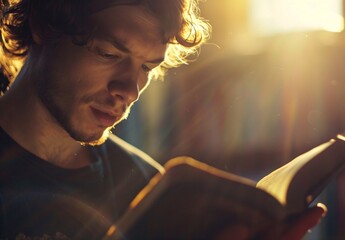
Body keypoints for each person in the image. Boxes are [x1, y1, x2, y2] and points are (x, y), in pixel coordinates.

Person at [0, 0, 326, 239]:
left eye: (146, 68)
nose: (128, 90)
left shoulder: (150, 192)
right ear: (43, 25)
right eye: (109, 54)